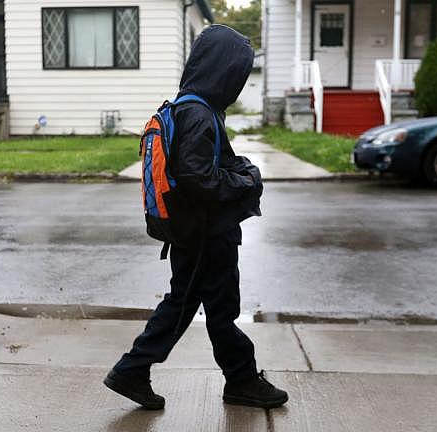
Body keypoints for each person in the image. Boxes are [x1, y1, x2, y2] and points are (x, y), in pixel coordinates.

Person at [103, 25, 288, 410]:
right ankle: (231, 379)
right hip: (207, 234)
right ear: (223, 71)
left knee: (194, 306)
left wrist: (242, 170)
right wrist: (247, 183)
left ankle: (230, 378)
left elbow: (216, 162)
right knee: (209, 309)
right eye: (237, 72)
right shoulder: (198, 114)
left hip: (196, 232)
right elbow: (198, 178)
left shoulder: (193, 108)